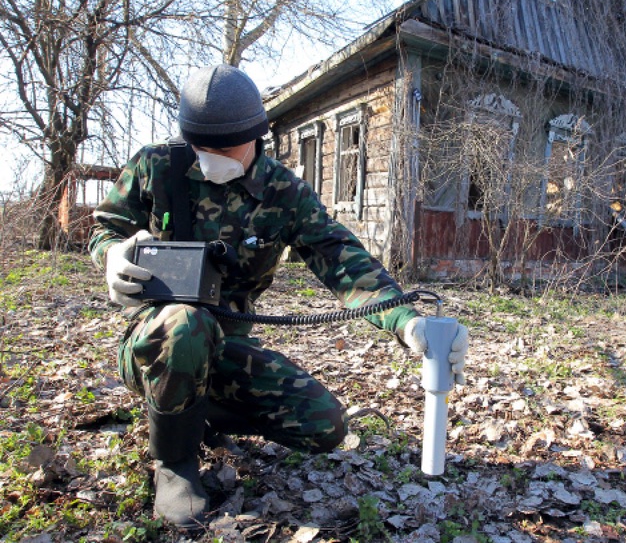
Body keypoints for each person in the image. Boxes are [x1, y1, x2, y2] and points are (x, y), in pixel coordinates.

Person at [89, 64, 468, 529]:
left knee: (324, 424)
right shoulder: (156, 168)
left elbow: (341, 258)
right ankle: (175, 463)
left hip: (230, 345)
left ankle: (188, 410)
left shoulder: (283, 193)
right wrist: (111, 256)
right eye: (200, 146)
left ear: (255, 135)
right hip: (157, 340)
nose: (210, 157)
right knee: (186, 323)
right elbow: (106, 227)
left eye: (223, 146)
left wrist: (407, 321)